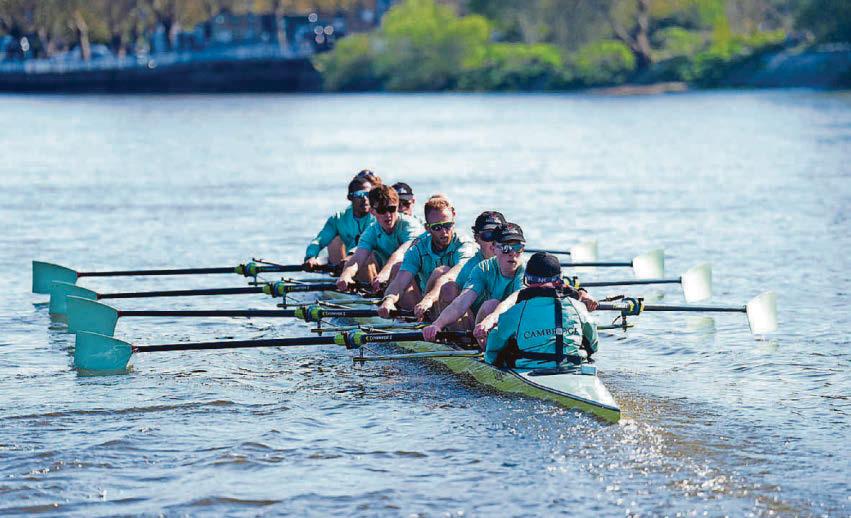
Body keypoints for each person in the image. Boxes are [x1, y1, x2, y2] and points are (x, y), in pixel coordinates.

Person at [484, 252, 599, 369]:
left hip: (529, 367)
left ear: (527, 279)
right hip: (572, 363)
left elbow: (494, 346)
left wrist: (490, 362)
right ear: (559, 279)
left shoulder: (517, 311)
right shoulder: (577, 306)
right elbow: (593, 345)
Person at [377, 194, 477, 320]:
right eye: (437, 227)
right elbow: (400, 282)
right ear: (427, 228)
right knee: (398, 268)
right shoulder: (418, 247)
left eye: (448, 225)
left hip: (459, 306)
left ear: (454, 219)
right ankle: (416, 321)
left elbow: (454, 273)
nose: (444, 232)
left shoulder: (464, 244)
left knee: (442, 272)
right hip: (427, 305)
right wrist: (388, 300)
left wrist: (429, 299)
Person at [422, 222, 526, 341]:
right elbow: (461, 303)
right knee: (490, 305)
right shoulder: (483, 268)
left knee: (492, 306)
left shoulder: (527, 270)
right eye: (506, 248)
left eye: (518, 248)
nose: (513, 253)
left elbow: (513, 299)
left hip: (517, 328)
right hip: (487, 327)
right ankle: (479, 348)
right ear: (493, 248)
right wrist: (437, 324)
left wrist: (492, 318)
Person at [336, 184, 424, 292]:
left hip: (422, 282)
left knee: (398, 267)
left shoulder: (410, 225)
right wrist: (346, 275)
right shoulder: (371, 231)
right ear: (372, 211)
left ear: (397, 207)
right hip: (399, 282)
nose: (388, 215)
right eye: (382, 210)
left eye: (391, 209)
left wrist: (384, 273)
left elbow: (401, 253)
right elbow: (358, 258)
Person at [303, 173, 379, 270]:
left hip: (377, 264)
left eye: (367, 194)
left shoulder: (379, 216)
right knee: (334, 241)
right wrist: (311, 256)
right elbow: (319, 241)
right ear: (350, 197)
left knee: (365, 256)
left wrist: (351, 256)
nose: (365, 199)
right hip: (352, 263)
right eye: (359, 195)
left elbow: (366, 245)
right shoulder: (339, 219)